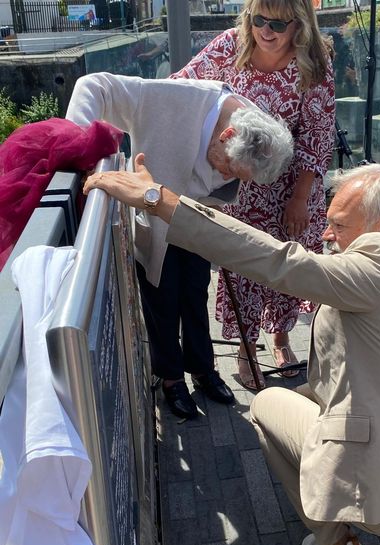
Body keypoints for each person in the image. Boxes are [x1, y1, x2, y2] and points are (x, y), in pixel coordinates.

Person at [84, 158, 380, 545]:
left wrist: (158, 201)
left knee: (269, 402)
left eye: (339, 225)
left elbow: (279, 260)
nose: (326, 235)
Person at [66, 73, 293, 419]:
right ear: (226, 135)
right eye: (230, 169)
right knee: (162, 299)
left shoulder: (254, 123)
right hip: (156, 223)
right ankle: (171, 379)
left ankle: (203, 371)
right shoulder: (172, 98)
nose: (228, 178)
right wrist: (76, 153)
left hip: (200, 220)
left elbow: (234, 171)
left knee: (195, 291)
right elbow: (94, 85)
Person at [171, 0, 336, 389]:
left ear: (299, 24)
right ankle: (247, 350)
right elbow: (183, 84)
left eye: (278, 24)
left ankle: (280, 339)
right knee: (243, 267)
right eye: (258, 19)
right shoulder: (230, 45)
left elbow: (317, 135)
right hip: (239, 190)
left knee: (287, 266)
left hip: (292, 188)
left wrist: (299, 198)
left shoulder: (313, 62)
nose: (266, 31)